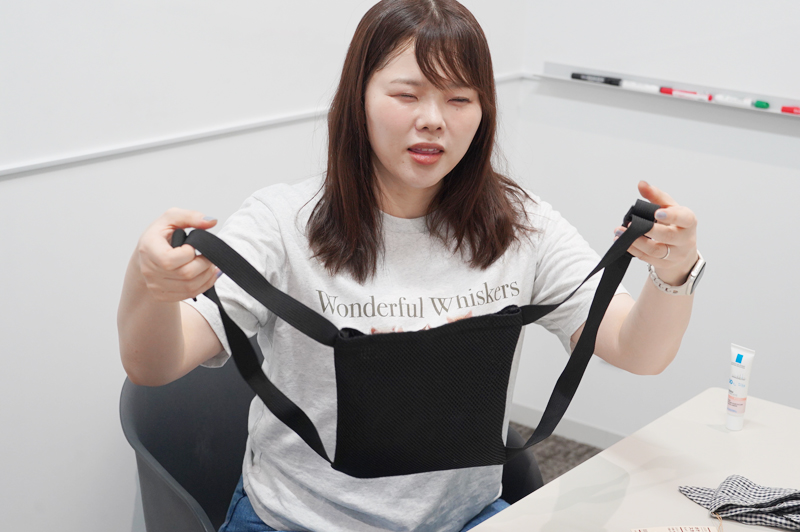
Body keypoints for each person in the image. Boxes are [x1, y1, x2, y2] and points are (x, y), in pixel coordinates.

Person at [117, 1, 701, 530]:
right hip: (297, 522)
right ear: (358, 99)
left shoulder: (520, 224)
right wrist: (148, 283)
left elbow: (637, 351)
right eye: (407, 94)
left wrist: (672, 274)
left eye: (459, 99)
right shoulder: (282, 223)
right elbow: (154, 365)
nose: (434, 120)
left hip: (463, 519)